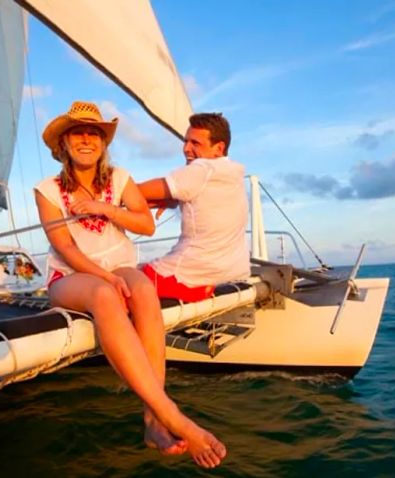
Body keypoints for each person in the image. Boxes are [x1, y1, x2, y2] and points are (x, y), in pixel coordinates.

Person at [34, 101, 226, 468]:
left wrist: (106, 210)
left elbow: (145, 224)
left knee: (142, 289)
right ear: (64, 143)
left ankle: (153, 419)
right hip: (70, 277)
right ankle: (168, 412)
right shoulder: (48, 190)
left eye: (94, 133)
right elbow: (66, 248)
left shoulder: (119, 179)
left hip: (118, 266)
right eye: (78, 132)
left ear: (104, 142)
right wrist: (104, 276)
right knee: (106, 294)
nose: (87, 139)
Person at [138, 113, 250, 302]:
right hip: (232, 271)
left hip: (188, 278)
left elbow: (132, 191)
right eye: (186, 141)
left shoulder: (201, 169)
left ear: (219, 148)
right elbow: (202, 198)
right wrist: (172, 199)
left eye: (195, 143)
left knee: (123, 280)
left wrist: (98, 197)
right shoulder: (232, 173)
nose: (186, 149)